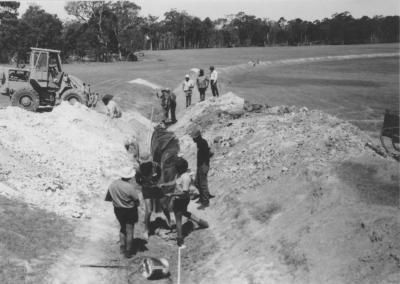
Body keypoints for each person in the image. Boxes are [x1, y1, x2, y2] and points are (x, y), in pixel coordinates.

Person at [169, 157, 209, 246]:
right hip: (181, 199)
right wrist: (165, 184)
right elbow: (175, 182)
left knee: (178, 218)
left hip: (182, 199)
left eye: (175, 167)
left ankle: (180, 238)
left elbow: (184, 193)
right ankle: (202, 222)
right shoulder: (179, 175)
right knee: (184, 212)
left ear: (179, 168)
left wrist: (172, 195)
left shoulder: (186, 177)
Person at [105, 167, 140, 258]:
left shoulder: (113, 184)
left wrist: (118, 200)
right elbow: (137, 200)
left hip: (118, 210)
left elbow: (108, 198)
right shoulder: (129, 187)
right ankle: (128, 252)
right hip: (129, 210)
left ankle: (122, 247)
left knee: (122, 227)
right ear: (130, 177)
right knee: (130, 230)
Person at [135, 154, 171, 241]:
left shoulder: (155, 166)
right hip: (147, 189)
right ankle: (146, 230)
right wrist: (144, 184)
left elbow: (159, 174)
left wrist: (156, 182)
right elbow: (137, 180)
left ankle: (169, 223)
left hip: (156, 187)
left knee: (164, 206)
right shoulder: (139, 169)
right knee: (149, 210)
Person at [190, 126, 214, 209]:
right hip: (200, 165)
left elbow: (209, 153)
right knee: (197, 183)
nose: (192, 139)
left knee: (203, 184)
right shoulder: (199, 143)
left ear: (197, 137)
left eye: (193, 138)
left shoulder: (202, 143)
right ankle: (203, 196)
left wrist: (205, 163)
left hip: (203, 166)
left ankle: (205, 202)